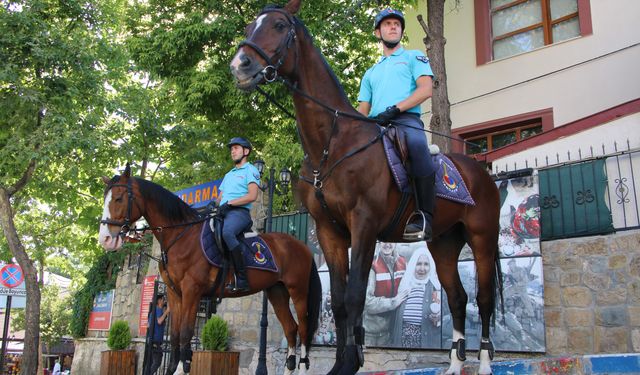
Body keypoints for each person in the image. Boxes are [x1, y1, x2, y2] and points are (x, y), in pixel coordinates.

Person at [357, 8, 437, 241]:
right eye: (387, 24)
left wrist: (395, 109)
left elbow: (426, 90)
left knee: (416, 145)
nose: (393, 27)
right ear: (377, 32)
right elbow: (362, 110)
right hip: (375, 125)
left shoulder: (414, 57)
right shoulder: (370, 73)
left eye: (396, 24)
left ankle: (425, 217)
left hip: (405, 120)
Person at [216, 137, 261, 292]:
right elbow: (220, 198)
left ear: (246, 151)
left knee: (227, 232)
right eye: (231, 149)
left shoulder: (251, 170)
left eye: (236, 148)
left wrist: (230, 204)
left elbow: (252, 196)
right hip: (223, 212)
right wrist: (213, 205)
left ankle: (242, 279)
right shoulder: (228, 174)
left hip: (239, 213)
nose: (232, 151)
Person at [392, 246, 442, 348]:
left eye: (426, 264)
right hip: (402, 341)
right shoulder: (405, 285)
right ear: (413, 265)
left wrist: (439, 317)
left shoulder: (435, 287)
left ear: (431, 266)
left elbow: (446, 316)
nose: (422, 268)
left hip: (424, 341)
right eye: (418, 264)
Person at [363, 242, 408, 346]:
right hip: (371, 334)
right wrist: (393, 302)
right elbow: (367, 302)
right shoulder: (372, 265)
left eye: (391, 241)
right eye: (384, 240)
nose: (387, 244)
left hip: (394, 330)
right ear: (379, 243)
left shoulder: (403, 262)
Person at [147, 294, 170, 375]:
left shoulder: (155, 310)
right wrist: (167, 311)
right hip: (155, 341)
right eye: (163, 299)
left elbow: (150, 325)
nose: (164, 301)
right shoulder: (157, 310)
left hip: (154, 340)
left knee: (155, 361)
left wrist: (165, 312)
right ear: (159, 301)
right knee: (157, 362)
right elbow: (159, 321)